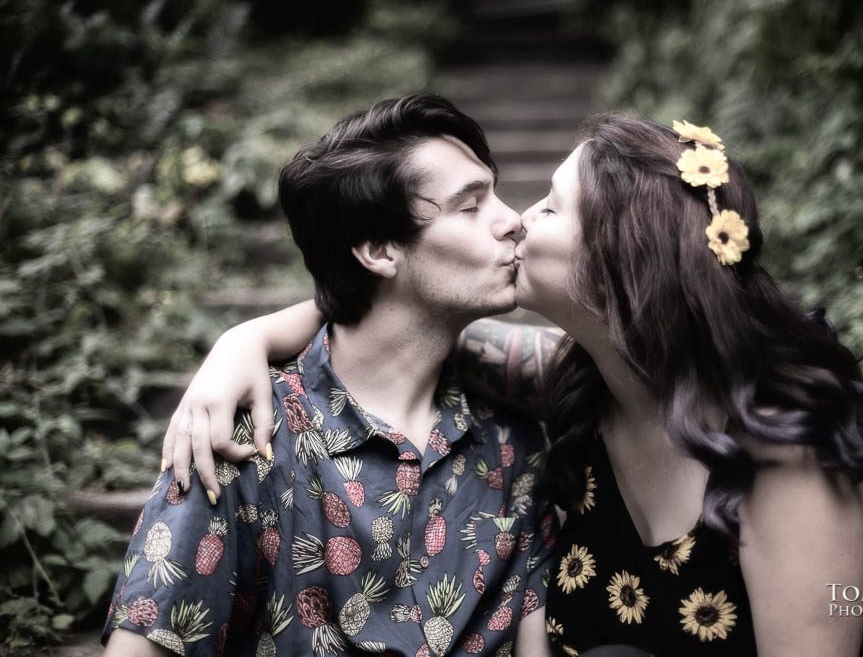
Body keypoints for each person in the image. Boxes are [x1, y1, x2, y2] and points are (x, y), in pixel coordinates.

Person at [161, 113, 863, 655]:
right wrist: (244, 339)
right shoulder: (576, 380)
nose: (519, 221)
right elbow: (387, 323)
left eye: (552, 207)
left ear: (621, 266)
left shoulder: (781, 456)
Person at [103, 93, 556, 656]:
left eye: (494, 193)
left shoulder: (514, 439)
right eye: (470, 206)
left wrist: (249, 333)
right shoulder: (247, 439)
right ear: (377, 248)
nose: (513, 220)